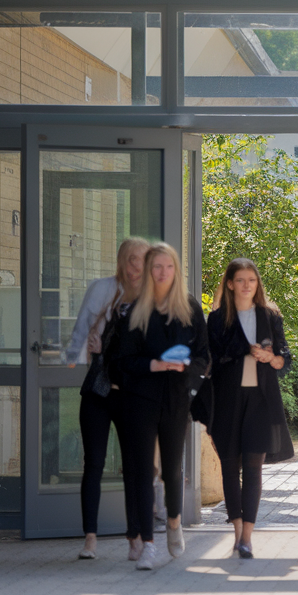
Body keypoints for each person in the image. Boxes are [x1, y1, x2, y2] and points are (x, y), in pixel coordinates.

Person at [106, 242, 209, 571]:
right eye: (156, 267)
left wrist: (185, 366)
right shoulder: (136, 310)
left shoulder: (190, 308)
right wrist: (155, 365)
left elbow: (205, 357)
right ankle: (148, 544)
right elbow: (121, 362)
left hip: (176, 398)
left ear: (176, 270)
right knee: (142, 471)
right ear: (149, 272)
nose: (162, 273)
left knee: (172, 469)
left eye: (168, 267)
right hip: (140, 398)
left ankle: (175, 522)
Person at [66, 237, 150, 560]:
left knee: (133, 467)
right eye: (130, 260)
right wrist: (82, 349)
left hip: (131, 394)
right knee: (94, 464)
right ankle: (90, 538)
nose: (135, 267)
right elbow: (79, 335)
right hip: (99, 391)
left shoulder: (151, 300)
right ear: (121, 261)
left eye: (142, 261)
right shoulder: (102, 289)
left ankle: (135, 538)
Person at [207, 258, 292, 559]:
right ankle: (236, 530)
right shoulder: (217, 319)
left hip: (260, 399)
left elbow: (285, 358)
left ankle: (247, 537)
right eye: (240, 280)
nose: (246, 285)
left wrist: (272, 359)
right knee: (231, 468)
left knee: (254, 467)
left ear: (257, 284)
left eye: (251, 280)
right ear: (230, 284)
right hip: (228, 401)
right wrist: (245, 350)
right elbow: (213, 361)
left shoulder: (270, 316)